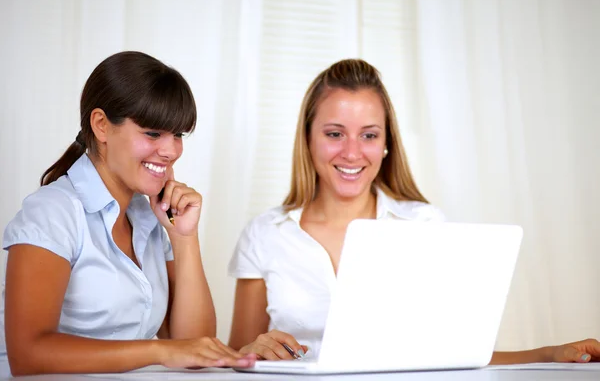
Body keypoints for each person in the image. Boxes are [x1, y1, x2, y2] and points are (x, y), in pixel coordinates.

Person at [227, 58, 600, 364]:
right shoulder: (265, 233)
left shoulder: (424, 225)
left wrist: (548, 354)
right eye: (335, 133)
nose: (353, 153)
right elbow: (240, 356)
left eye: (369, 135)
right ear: (308, 138)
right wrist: (251, 352)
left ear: (387, 143)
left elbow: (458, 355)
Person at [0, 51, 255, 376]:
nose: (171, 150)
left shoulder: (148, 218)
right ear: (102, 125)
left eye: (177, 134)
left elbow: (194, 347)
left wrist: (184, 237)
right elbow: (29, 353)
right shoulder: (53, 213)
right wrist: (158, 350)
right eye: (153, 133)